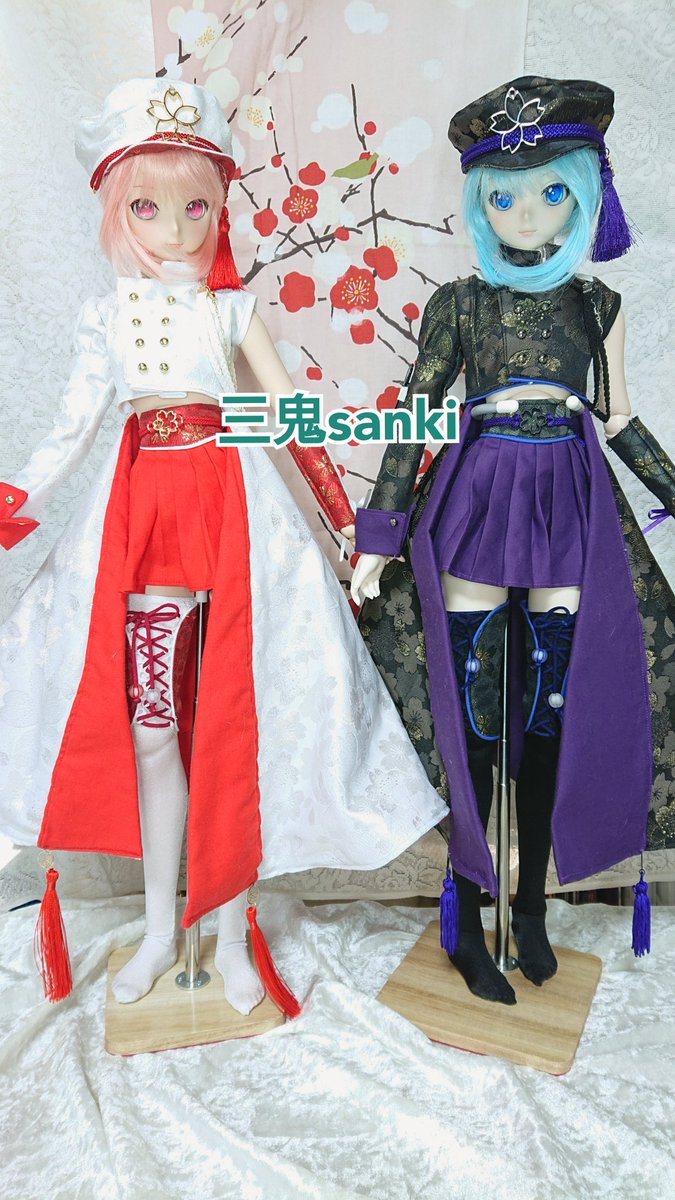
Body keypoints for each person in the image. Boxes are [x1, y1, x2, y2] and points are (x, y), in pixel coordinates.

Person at [0, 78, 448, 1012]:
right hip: (143, 523)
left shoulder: (232, 312)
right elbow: (71, 430)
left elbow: (290, 420)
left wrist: (349, 526)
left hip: (237, 519)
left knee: (230, 730)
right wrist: (15, 499)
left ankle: (230, 927)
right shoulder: (107, 316)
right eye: (149, 208)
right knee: (153, 730)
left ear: (218, 207)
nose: (174, 229)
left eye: (195, 206)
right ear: (118, 212)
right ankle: (162, 927)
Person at [351, 76, 675, 1005]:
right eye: (501, 196)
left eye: (549, 192)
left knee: (546, 719)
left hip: (567, 498)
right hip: (480, 497)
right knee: (478, 721)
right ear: (477, 204)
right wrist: (378, 535)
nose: (525, 214)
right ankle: (469, 909)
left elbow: (618, 419)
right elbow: (414, 418)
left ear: (586, 195)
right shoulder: (459, 303)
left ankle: (530, 908)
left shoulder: (598, 305)